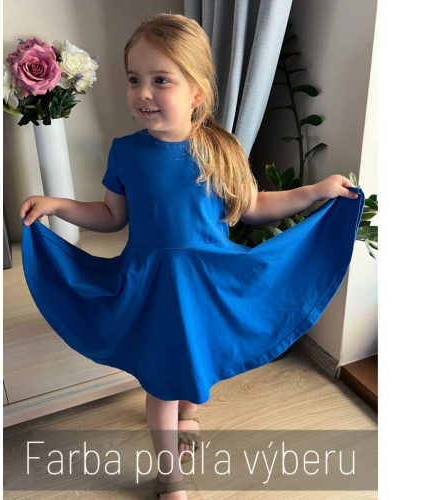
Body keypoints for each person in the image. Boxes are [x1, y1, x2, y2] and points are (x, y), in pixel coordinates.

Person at [20, 13, 363, 500]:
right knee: (161, 381)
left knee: (197, 354)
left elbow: (253, 207)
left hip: (208, 281)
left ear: (197, 91)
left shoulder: (221, 149)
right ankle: (170, 480)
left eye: (161, 80)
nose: (143, 92)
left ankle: (190, 411)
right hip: (152, 286)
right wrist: (58, 206)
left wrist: (314, 191)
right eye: (134, 79)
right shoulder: (126, 152)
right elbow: (112, 216)